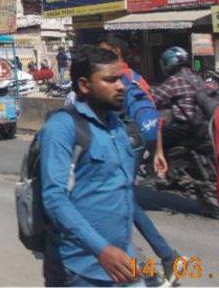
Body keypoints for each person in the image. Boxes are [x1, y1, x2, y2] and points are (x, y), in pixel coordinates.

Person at [40, 45, 139, 286]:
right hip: (80, 269)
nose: (121, 86)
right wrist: (101, 249)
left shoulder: (116, 124)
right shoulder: (62, 128)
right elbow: (54, 199)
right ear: (85, 85)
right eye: (111, 80)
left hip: (124, 261)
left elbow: (123, 190)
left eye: (121, 79)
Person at [96, 34, 180, 284]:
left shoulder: (116, 79)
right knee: (124, 200)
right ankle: (160, 260)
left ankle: (151, 266)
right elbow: (154, 114)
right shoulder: (137, 78)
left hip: (128, 142)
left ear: (117, 54)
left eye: (105, 55)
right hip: (139, 142)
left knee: (120, 200)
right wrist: (158, 150)